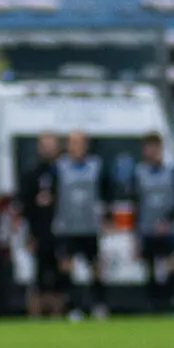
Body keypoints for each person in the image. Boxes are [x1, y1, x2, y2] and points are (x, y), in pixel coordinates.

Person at [51, 129, 113, 321]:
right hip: (66, 226)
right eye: (72, 143)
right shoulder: (59, 167)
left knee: (94, 268)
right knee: (67, 268)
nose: (76, 147)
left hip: (89, 225)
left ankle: (98, 305)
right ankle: (74, 307)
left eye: (79, 143)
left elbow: (107, 193)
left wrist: (106, 218)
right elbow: (52, 193)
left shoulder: (96, 166)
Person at [131, 132, 174, 314]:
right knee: (150, 269)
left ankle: (171, 303)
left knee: (170, 267)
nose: (152, 152)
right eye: (148, 148)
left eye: (155, 147)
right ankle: (152, 305)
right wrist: (135, 235)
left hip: (168, 230)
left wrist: (168, 220)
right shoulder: (138, 174)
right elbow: (135, 204)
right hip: (146, 229)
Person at [16, 133, 66, 318]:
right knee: (37, 278)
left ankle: (58, 315)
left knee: (59, 278)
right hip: (39, 233)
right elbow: (24, 206)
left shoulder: (64, 174)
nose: (47, 149)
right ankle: (35, 317)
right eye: (44, 145)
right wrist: (28, 234)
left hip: (60, 233)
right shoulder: (32, 175)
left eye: (50, 145)